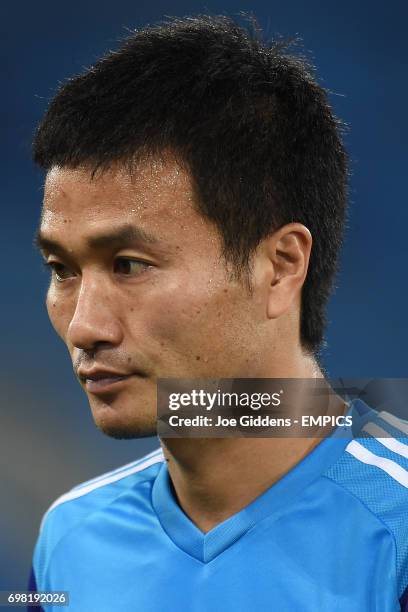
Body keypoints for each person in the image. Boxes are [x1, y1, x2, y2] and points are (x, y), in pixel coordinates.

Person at [30, 15, 408, 611]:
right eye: (62, 270)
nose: (84, 327)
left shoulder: (398, 531)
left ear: (281, 266)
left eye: (129, 264)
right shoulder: (68, 540)